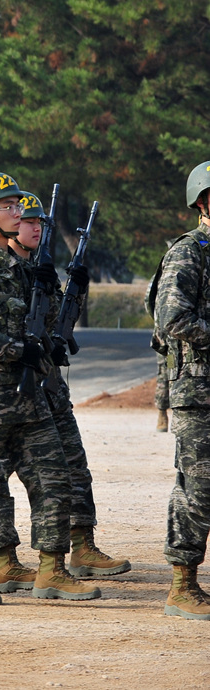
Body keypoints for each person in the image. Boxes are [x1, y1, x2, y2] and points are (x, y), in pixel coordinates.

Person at [0, 172, 97, 604]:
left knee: (53, 478)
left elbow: (48, 328)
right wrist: (17, 350)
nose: (19, 212)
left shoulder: (24, 269)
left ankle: (51, 569)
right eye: (8, 207)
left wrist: (64, 290)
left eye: (18, 206)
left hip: (30, 398)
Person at [4, 193, 125, 582]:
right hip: (10, 392)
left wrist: (75, 290)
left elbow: (57, 324)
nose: (36, 228)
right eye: (28, 222)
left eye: (40, 223)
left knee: (73, 467)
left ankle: (82, 547)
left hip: (50, 387)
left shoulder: (40, 270)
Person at [151, 161, 210, 619]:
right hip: (199, 391)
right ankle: (182, 583)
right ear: (203, 201)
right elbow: (172, 318)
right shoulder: (189, 253)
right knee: (198, 488)